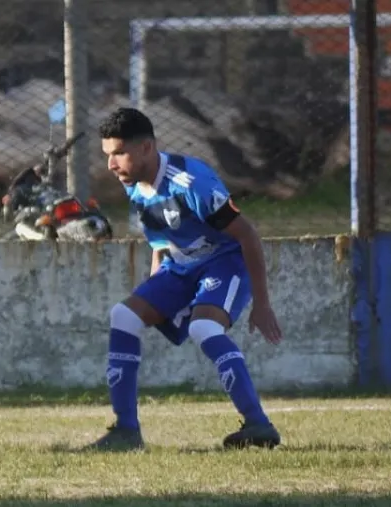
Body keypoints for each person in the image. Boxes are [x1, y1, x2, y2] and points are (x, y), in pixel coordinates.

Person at [90, 107, 283, 451]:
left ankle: (259, 424)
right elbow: (161, 241)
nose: (111, 165)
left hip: (224, 263)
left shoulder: (193, 182)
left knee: (203, 329)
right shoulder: (134, 185)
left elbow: (248, 236)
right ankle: (126, 432)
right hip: (180, 268)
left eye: (119, 153)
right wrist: (155, 291)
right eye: (108, 155)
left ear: (147, 147)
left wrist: (262, 304)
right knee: (124, 316)